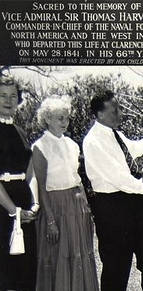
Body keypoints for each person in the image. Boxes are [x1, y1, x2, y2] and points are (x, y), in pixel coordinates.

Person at [82, 89, 143, 291]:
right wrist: (142, 187)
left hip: (133, 203)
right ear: (100, 114)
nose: (120, 114)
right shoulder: (93, 141)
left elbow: (134, 149)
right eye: (114, 110)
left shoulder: (115, 135)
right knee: (116, 266)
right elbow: (115, 175)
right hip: (112, 208)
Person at [32, 96, 99, 291]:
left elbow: (76, 179)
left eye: (67, 118)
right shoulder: (40, 147)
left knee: (80, 256)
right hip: (56, 207)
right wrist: (51, 221)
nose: (65, 122)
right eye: (60, 118)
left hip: (77, 207)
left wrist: (86, 211)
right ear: (47, 119)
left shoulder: (72, 144)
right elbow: (41, 187)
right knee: (57, 258)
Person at [0, 75, 38, 291]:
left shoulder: (21, 132)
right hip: (3, 208)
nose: (8, 100)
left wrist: (34, 205)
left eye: (13, 95)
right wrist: (13, 211)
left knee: (24, 273)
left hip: (24, 209)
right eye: (3, 95)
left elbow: (30, 173)